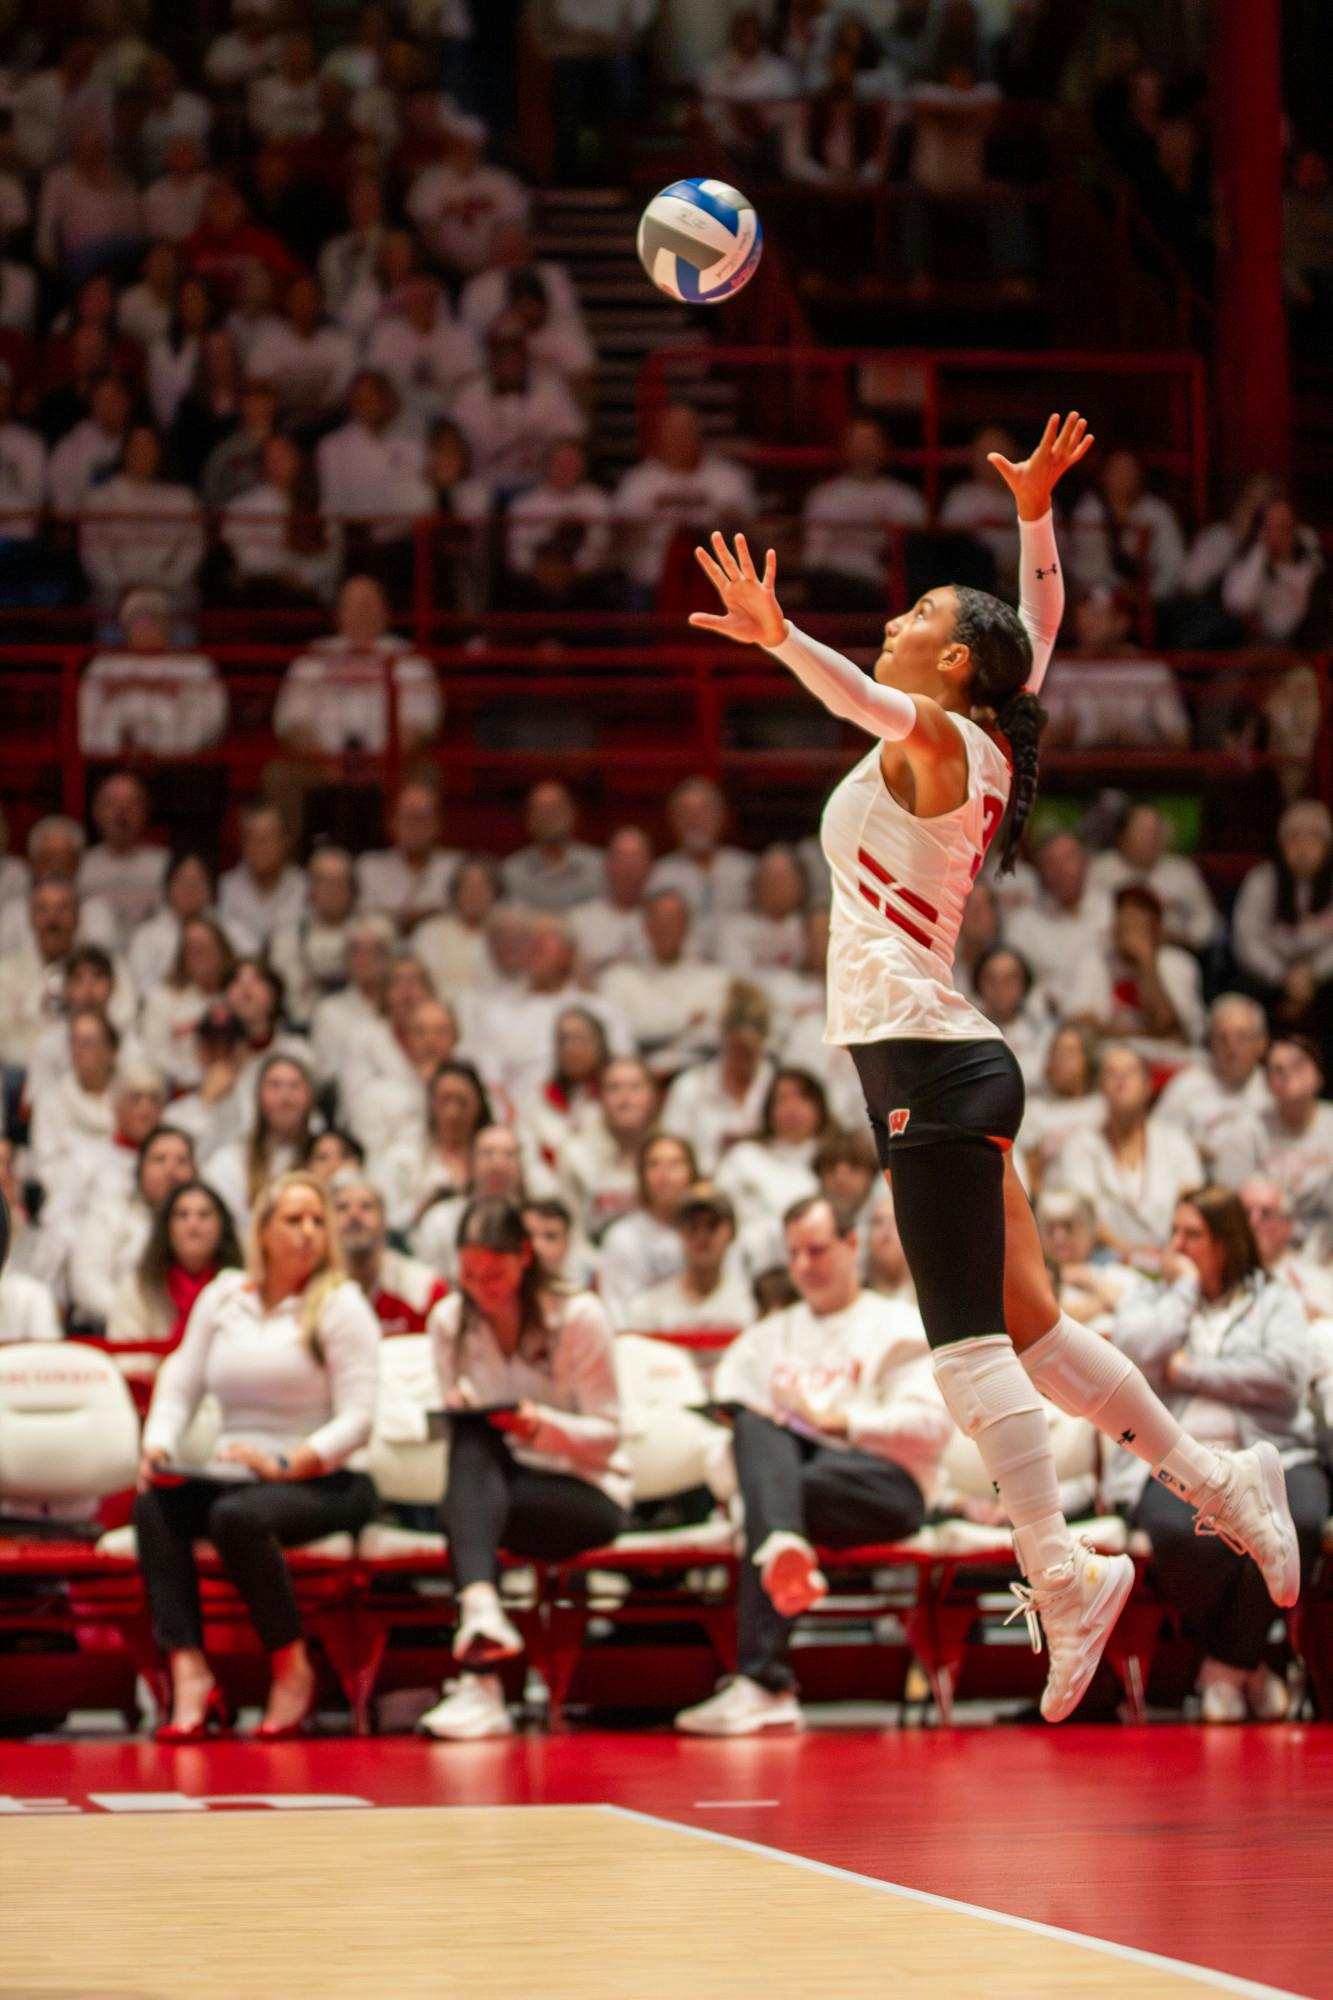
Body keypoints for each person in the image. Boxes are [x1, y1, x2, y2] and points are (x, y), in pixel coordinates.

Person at [689, 411, 1298, 1721]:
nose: (894, 619)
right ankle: (1221, 1483)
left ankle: (1057, 1567)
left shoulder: (940, 738)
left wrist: (777, 637)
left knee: (966, 1347)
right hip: (947, 1062)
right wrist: (1033, 510)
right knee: (1032, 1330)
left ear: (945, 661)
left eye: (912, 613)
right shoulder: (980, 733)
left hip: (934, 1065)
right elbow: (1039, 627)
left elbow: (862, 691)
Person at [676, 1194, 950, 1734]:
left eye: (818, 1251)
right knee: (756, 1426)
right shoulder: (764, 1340)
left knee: (771, 1492)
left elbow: (935, 1428)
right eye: (794, 1253)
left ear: (853, 1245)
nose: (803, 1266)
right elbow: (723, 1445)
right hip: (792, 1485)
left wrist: (835, 1423)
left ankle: (764, 1682)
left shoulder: (897, 1324)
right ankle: (781, 1549)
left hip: (882, 1485)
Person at [135, 1172, 379, 1739]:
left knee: (234, 1518)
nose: (309, 1232)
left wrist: (291, 1461)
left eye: (318, 1221)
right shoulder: (224, 1296)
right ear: (263, 1232)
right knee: (155, 1507)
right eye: (294, 1220)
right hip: (234, 1473)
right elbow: (179, 1381)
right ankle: (189, 1670)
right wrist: (159, 1445)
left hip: (328, 1480)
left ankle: (291, 1663)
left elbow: (359, 1417)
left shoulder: (341, 1305)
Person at [1110, 1187, 1325, 1722]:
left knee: (1297, 1521)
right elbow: (1135, 1356)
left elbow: (1283, 1376)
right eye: (1175, 1232)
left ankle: (1224, 1668)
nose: (1176, 1244)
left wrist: (1191, 1372)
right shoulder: (1150, 1297)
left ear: (1225, 1243)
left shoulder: (1274, 1297)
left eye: (1193, 1235)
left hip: (1277, 1455)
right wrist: (1184, 1290)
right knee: (1179, 1533)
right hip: (1182, 1463)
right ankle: (1246, 1667)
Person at [418, 1195, 629, 1739]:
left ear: (525, 1256)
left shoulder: (578, 1315)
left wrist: (539, 1427)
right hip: (493, 1486)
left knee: (460, 1515)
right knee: (468, 1442)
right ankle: (483, 1617)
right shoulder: (448, 1322)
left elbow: (608, 1437)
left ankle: (480, 1682)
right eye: (470, 1274)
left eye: (496, 1273)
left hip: (583, 1490)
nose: (483, 1287)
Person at [1213, 1036, 1333, 1258]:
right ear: (1267, 1083)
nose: (1287, 1073)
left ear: (1319, 1075)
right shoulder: (1246, 1131)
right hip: (1262, 1248)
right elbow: (1229, 1205)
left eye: (1298, 1064)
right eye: (1277, 1069)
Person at [1230, 801, 1333, 1058]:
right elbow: (1246, 942)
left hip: (1322, 978)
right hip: (1270, 979)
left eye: (1314, 839)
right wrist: (1284, 977)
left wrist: (1312, 975)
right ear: (1281, 844)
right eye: (1294, 838)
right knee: (1241, 994)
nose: (1303, 848)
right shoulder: (1262, 879)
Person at [68, 1124, 196, 1329]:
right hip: (111, 1332)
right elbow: (86, 1285)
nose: (170, 1170)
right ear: (140, 1169)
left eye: (181, 1161)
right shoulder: (110, 1214)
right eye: (159, 1159)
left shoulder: (204, 1221)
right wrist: (134, 1318)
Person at [799, 417, 926, 612]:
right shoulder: (824, 496)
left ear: (884, 448)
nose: (863, 450)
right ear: (845, 448)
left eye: (870, 442)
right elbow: (814, 557)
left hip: (879, 584)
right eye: (857, 442)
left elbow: (917, 556)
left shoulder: (905, 499)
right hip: (830, 582)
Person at [599, 891, 729, 1075]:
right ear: (645, 927)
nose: (665, 928)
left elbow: (713, 1037)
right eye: (657, 921)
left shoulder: (716, 979)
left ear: (687, 927)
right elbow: (619, 1037)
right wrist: (686, 1022)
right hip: (639, 1078)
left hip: (699, 1077)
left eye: (673, 921)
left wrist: (652, 1032)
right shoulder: (618, 978)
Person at [1063, 884, 1205, 1050]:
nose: (1128, 924)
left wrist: (1144, 961)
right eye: (1123, 916)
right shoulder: (1096, 958)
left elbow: (1174, 1031)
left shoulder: (1179, 963)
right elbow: (1078, 1027)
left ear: (1157, 929)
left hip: (1167, 1062)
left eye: (1137, 921)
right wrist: (1150, 1035)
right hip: (1108, 1061)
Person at [107, 1179, 243, 1346]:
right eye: (182, 1215)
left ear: (222, 1226)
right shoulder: (139, 1288)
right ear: (166, 1227)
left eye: (204, 1214)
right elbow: (126, 1356)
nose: (193, 1224)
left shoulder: (241, 1289)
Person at [204, 1053, 319, 1238]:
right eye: (275, 1086)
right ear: (258, 1096)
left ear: (310, 1096)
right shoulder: (231, 1161)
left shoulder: (327, 1155)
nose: (285, 1097)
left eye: (294, 1086)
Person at [1155, 995, 1272, 1173]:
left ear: (1261, 1043)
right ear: (1210, 1042)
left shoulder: (1275, 1085)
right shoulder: (1186, 1084)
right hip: (1200, 1185)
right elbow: (1155, 1142)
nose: (1232, 1047)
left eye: (1242, 1037)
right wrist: (1188, 1152)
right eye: (1222, 1037)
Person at [622, 1183, 756, 1337]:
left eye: (712, 1225)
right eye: (693, 1225)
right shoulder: (648, 1308)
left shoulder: (750, 1304)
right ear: (679, 1232)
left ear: (731, 1232)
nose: (702, 1235)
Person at [1085, 802, 1217, 956]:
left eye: (1156, 831)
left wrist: (1179, 938)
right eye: (1143, 831)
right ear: (1122, 836)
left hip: (1173, 952)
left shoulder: (1183, 871)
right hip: (1112, 955)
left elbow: (1206, 922)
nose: (1152, 838)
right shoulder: (1099, 870)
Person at [330, 1175, 447, 1335]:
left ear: (385, 1221)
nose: (354, 1215)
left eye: (366, 1207)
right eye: (342, 1208)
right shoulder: (315, 1293)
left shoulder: (424, 1289)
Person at [357, 780, 458, 931]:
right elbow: (363, 920)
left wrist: (396, 917)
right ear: (392, 823)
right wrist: (427, 915)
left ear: (438, 823)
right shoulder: (369, 866)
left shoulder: (457, 868)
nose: (414, 826)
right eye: (407, 817)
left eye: (421, 818)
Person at [499, 780, 603, 913]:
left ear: (571, 813)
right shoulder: (511, 872)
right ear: (529, 819)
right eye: (541, 810)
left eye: (555, 809)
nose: (549, 817)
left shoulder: (600, 868)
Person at [1239, 1178, 1333, 1322]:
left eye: (1266, 1213)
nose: (1253, 1222)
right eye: (1245, 1213)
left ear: (1287, 1224)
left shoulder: (1315, 1279)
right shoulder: (1218, 1274)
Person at [218, 804, 306, 945]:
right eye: (252, 837)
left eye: (268, 837)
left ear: (285, 841)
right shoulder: (223, 887)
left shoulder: (306, 887)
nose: (259, 845)